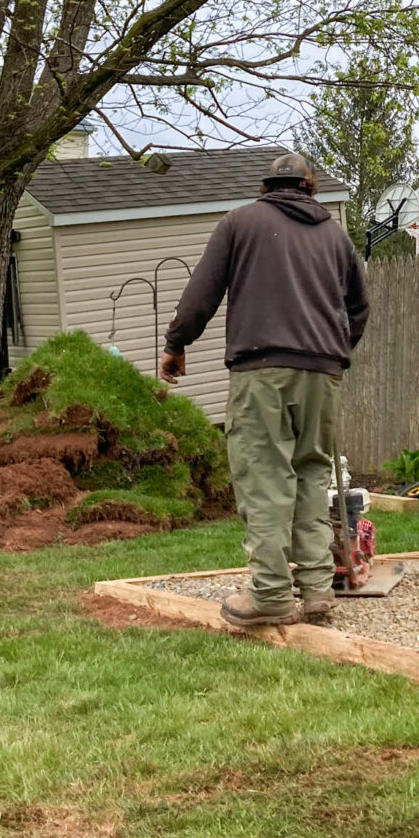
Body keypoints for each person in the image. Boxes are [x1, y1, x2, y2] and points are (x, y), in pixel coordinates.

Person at [160, 152, 369, 627]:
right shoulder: (336, 235)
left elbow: (201, 295)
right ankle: (317, 589)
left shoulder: (240, 222)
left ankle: (272, 595)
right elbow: (358, 307)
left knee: (264, 475)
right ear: (310, 189)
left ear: (266, 187)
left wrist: (176, 343)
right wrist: (334, 352)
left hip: (262, 368)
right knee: (312, 472)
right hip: (322, 371)